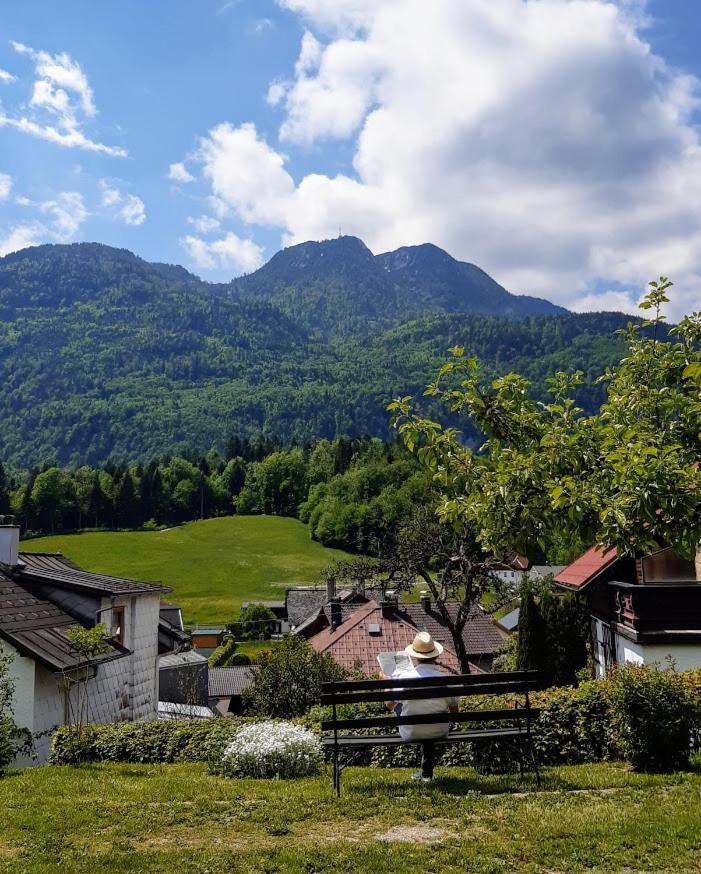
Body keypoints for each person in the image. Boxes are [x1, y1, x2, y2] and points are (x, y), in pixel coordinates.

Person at [384, 631, 459, 782]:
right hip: (439, 730)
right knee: (430, 713)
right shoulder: (445, 680)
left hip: (411, 731)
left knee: (402, 707)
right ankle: (426, 773)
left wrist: (386, 683)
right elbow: (454, 712)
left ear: (415, 657)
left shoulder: (405, 679)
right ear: (436, 655)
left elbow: (389, 705)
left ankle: (425, 773)